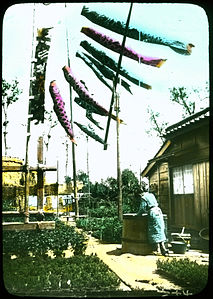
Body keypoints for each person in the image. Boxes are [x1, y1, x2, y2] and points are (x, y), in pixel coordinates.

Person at [137, 177, 169, 256]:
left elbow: (142, 209)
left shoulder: (143, 197)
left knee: (154, 230)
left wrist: (138, 215)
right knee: (160, 229)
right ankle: (163, 248)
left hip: (153, 213)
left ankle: (157, 249)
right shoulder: (151, 195)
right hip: (158, 211)